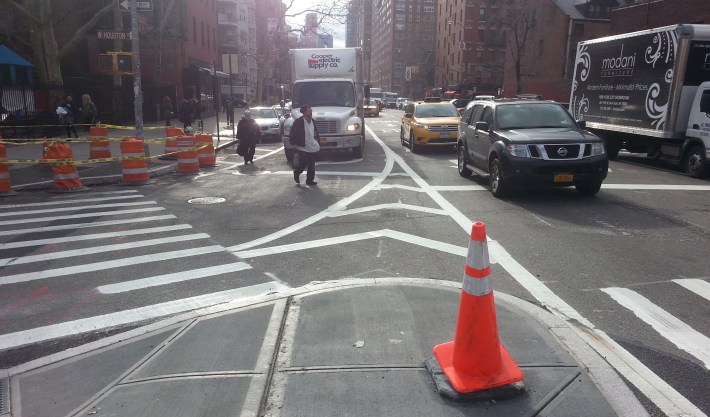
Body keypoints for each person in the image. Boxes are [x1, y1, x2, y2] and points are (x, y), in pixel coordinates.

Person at [289, 104, 320, 185]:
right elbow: (292, 132)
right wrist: (292, 143)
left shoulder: (312, 121)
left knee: (311, 165)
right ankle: (297, 172)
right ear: (304, 112)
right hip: (301, 146)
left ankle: (309, 180)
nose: (311, 112)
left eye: (311, 110)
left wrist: (318, 141)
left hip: (311, 146)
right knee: (304, 163)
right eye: (309, 110)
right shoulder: (299, 121)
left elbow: (315, 132)